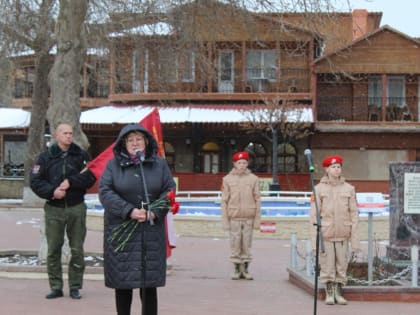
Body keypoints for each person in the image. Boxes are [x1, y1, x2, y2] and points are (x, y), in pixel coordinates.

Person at [99, 123, 176, 315]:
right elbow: (105, 192)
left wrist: (154, 212)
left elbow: (169, 191)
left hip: (149, 231)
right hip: (121, 230)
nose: (135, 143)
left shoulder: (159, 164)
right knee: (123, 283)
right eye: (130, 140)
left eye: (139, 139)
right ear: (123, 144)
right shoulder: (113, 165)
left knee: (148, 285)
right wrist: (129, 211)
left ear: (146, 142)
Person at [30, 123, 96, 300]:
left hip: (76, 207)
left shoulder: (80, 155)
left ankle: (75, 286)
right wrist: (53, 192)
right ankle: (56, 286)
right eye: (65, 133)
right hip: (54, 209)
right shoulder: (45, 157)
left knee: (77, 249)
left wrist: (71, 182)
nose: (68, 136)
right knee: (53, 249)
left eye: (70, 133)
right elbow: (35, 181)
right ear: (57, 135)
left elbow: (90, 176)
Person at [310, 155, 360, 305]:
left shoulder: (349, 189)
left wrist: (355, 241)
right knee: (327, 265)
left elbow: (354, 214)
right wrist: (314, 242)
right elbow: (313, 216)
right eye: (333, 167)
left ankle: (339, 292)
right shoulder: (318, 189)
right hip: (326, 234)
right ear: (326, 169)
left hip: (343, 233)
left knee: (341, 265)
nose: (336, 169)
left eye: (338, 167)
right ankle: (329, 292)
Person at [221, 151, 261, 280]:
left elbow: (257, 200)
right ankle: (237, 269)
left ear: (247, 164)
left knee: (246, 244)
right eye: (239, 163)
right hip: (234, 217)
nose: (242, 165)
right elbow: (224, 201)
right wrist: (225, 221)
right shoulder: (227, 179)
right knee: (235, 243)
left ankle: (246, 269)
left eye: (244, 162)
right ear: (234, 164)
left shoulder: (254, 179)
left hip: (249, 217)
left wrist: (257, 221)